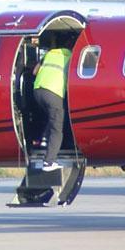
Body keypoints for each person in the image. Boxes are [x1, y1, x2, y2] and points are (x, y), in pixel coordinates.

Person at [33, 34, 73, 172]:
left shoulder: (50, 54)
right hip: (54, 93)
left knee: (52, 117)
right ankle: (49, 162)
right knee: (58, 129)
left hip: (37, 91)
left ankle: (43, 139)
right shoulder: (70, 56)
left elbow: (34, 71)